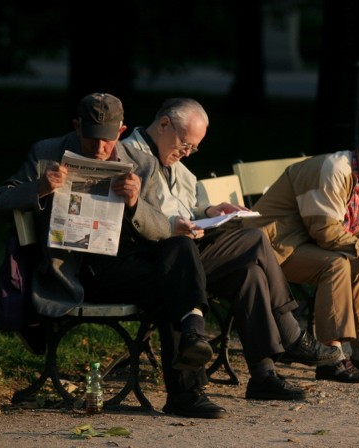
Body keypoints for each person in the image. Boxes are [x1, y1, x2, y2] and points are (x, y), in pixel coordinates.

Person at [0, 92, 226, 419]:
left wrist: (135, 204)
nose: (100, 149)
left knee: (178, 248)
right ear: (77, 126)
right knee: (173, 285)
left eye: (108, 140)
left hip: (123, 265)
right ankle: (187, 386)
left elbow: (159, 227)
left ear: (122, 129)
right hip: (76, 271)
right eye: (92, 138)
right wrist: (39, 188)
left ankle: (192, 338)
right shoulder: (46, 152)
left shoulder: (139, 162)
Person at [120, 97, 341, 401]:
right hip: (165, 258)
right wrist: (180, 223)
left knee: (248, 274)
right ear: (164, 125)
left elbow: (186, 206)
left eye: (192, 149)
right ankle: (291, 334)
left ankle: (263, 375)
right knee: (255, 240)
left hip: (187, 251)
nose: (186, 153)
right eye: (185, 144)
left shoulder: (177, 166)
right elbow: (145, 216)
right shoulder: (131, 156)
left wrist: (211, 211)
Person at [248, 134, 359, 383]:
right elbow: (326, 232)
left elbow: (358, 230)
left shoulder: (357, 180)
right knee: (336, 264)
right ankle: (330, 359)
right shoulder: (334, 171)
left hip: (300, 241)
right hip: (273, 248)